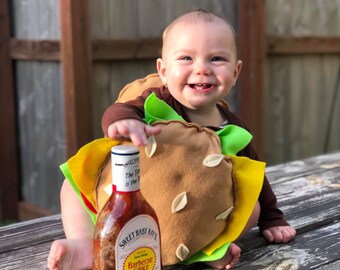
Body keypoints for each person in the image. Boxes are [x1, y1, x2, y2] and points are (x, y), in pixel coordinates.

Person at [48, 9, 296, 270]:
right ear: (163, 71)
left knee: (251, 206)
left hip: (193, 220)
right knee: (72, 183)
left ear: (235, 72)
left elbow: (257, 179)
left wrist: (272, 218)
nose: (202, 68)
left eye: (217, 58)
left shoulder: (232, 128)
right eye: (187, 58)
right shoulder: (154, 103)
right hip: (134, 205)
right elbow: (120, 111)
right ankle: (86, 244)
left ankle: (209, 250)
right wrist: (123, 121)